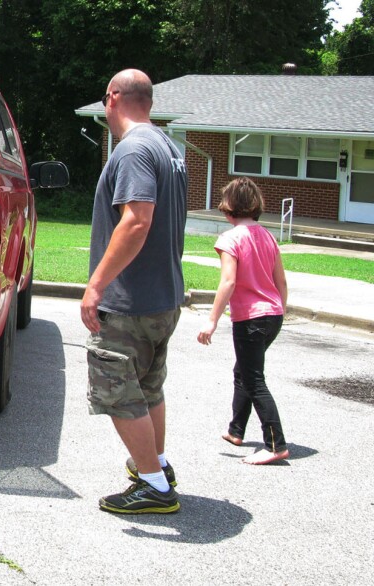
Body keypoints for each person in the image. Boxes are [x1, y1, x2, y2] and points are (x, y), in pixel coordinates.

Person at [81, 69, 187, 514]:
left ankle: (154, 487)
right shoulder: (167, 146)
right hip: (162, 297)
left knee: (118, 390)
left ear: (112, 98)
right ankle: (156, 464)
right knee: (147, 388)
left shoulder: (133, 150)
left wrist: (96, 285)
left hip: (130, 302)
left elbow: (137, 220)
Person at [197, 177, 289, 465]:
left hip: (250, 319)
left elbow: (228, 282)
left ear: (228, 209)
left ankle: (275, 444)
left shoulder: (230, 239)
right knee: (244, 371)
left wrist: (211, 320)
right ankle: (236, 430)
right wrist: (279, 311)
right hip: (273, 315)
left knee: (253, 379)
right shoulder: (268, 236)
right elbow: (281, 281)